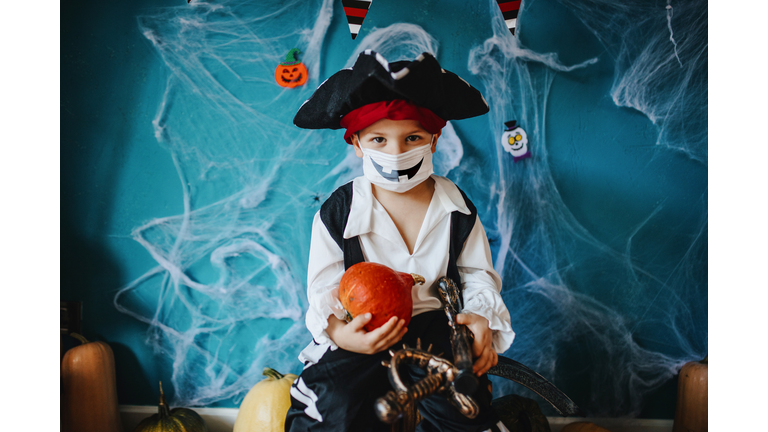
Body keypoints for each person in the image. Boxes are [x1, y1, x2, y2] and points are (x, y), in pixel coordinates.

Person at [285, 50, 515, 432]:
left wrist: (481, 317)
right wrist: (340, 332)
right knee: (336, 403)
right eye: (379, 139)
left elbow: (477, 274)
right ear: (357, 144)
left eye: (412, 138)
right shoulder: (339, 212)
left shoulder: (457, 208)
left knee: (461, 407)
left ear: (434, 140)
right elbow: (324, 285)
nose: (397, 153)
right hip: (364, 329)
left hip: (438, 329)